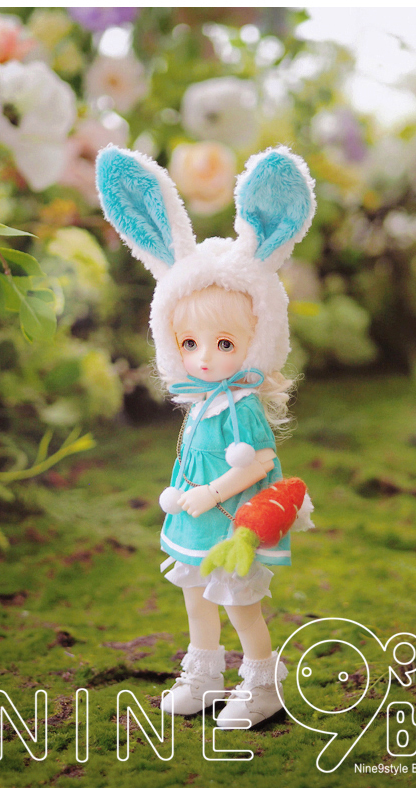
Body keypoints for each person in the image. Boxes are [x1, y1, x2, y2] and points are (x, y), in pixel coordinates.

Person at [96, 143, 316, 727]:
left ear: (257, 340)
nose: (204, 358)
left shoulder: (240, 404)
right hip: (195, 521)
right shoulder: (201, 402)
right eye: (189, 343)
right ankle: (203, 674)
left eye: (224, 343)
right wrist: (187, 498)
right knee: (195, 596)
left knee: (241, 605)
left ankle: (263, 683)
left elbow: (258, 461)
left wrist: (209, 494)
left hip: (231, 519)